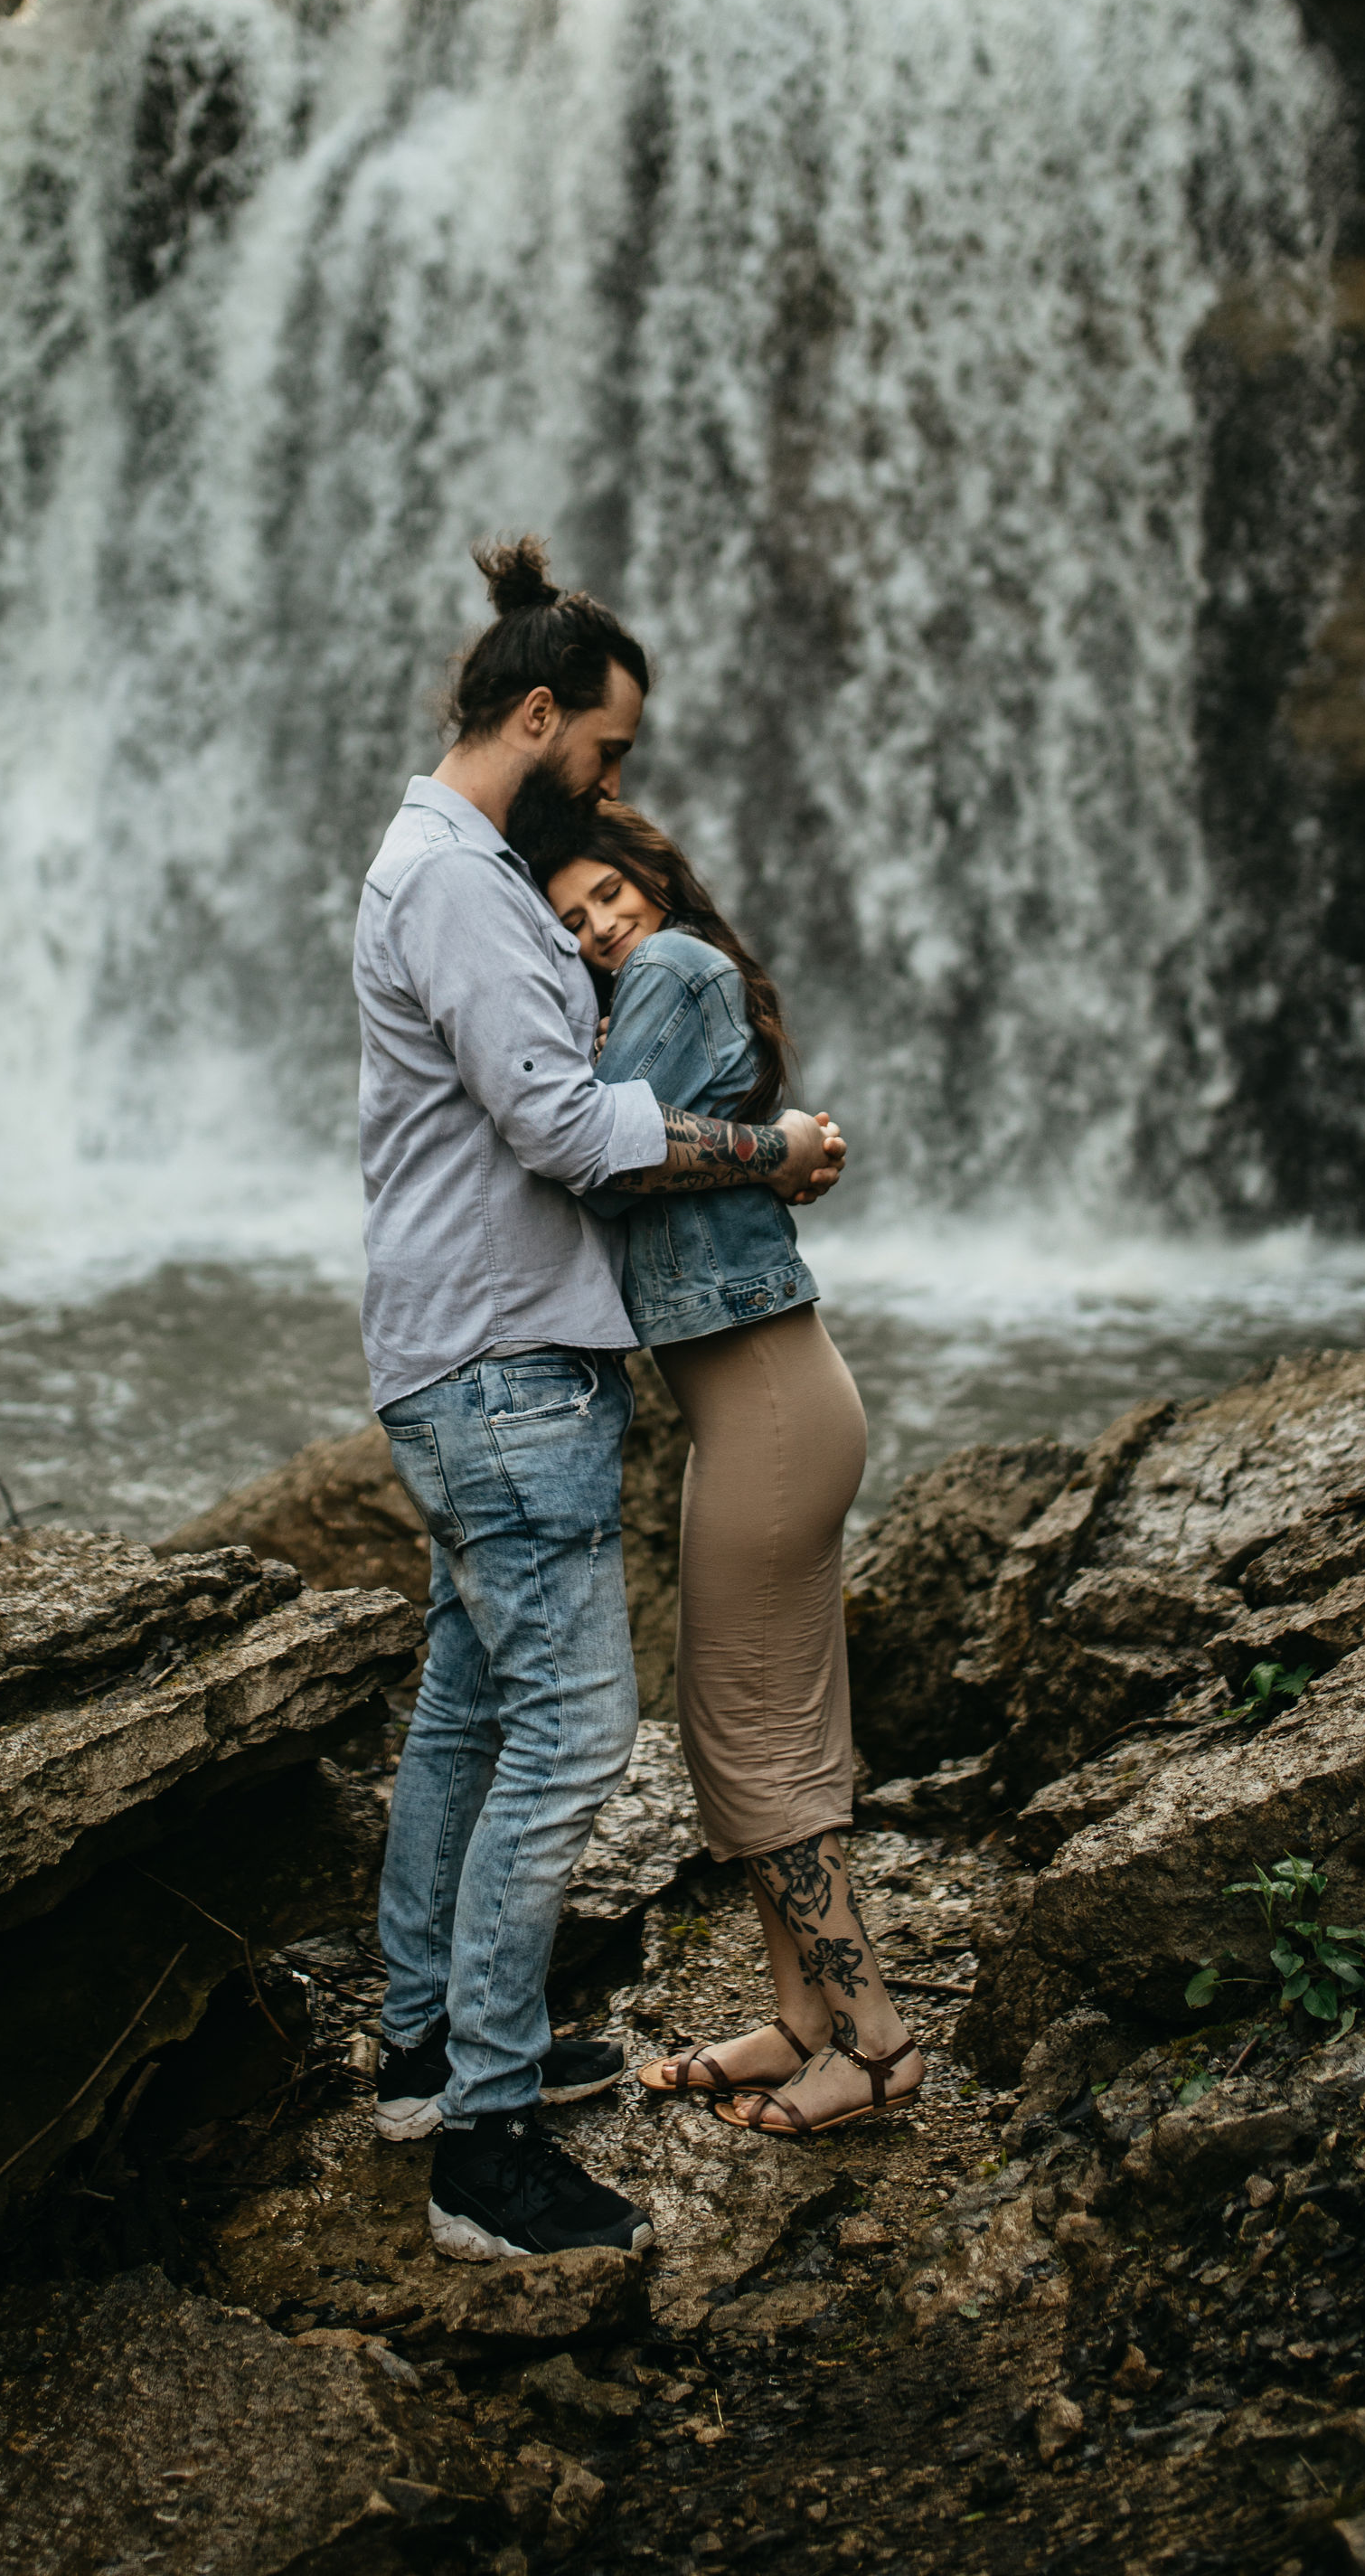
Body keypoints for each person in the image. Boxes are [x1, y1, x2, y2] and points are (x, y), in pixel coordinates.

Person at [357, 536, 847, 2260]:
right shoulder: (469, 887)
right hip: (500, 1364)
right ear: (541, 713)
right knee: (567, 1732)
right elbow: (565, 1131)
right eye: (611, 757)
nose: (615, 795)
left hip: (463, 1350)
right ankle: (483, 2147)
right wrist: (766, 1151)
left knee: (472, 1709)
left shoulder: (443, 868)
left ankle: (429, 2049)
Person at [535, 798, 921, 2138]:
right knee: (767, 1730)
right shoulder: (652, 984)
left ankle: (873, 2042)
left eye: (605, 895)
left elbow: (602, 1160)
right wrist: (784, 1152)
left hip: (764, 1400)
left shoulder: (669, 968)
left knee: (753, 1735)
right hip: (765, 1404)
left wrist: (773, 1151)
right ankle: (800, 2019)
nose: (596, 926)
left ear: (650, 876)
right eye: (572, 917)